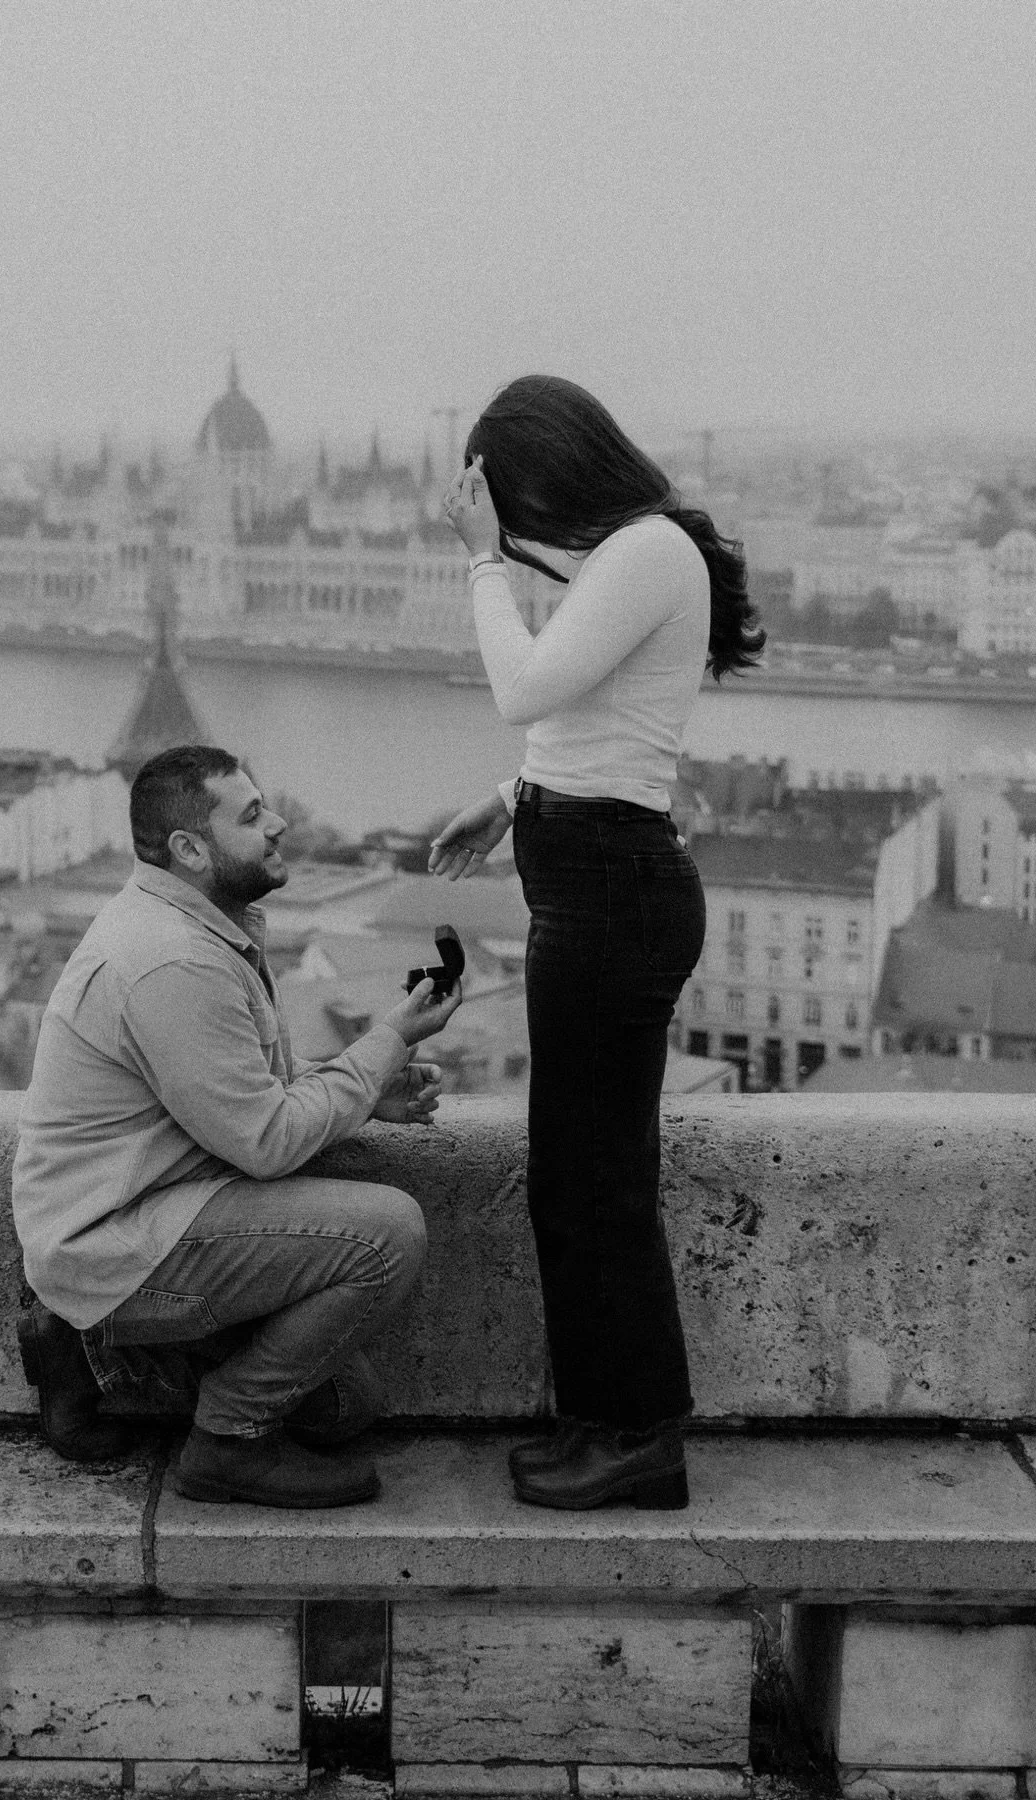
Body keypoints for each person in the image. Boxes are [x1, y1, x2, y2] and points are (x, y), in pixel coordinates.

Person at [433, 375, 764, 1511]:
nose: (518, 527)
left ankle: (636, 1434)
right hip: (597, 881)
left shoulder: (645, 551)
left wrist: (483, 562)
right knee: (575, 1176)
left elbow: (526, 688)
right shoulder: (636, 553)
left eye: (510, 500)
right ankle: (604, 1419)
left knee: (596, 1181)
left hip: (612, 894)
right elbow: (602, 725)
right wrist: (511, 799)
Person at [12, 743, 461, 1509]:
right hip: (113, 1235)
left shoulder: (195, 924)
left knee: (343, 1409)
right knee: (389, 1233)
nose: (278, 823)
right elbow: (268, 1142)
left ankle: (92, 1350)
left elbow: (242, 1089)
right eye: (252, 816)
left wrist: (363, 1090)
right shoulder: (172, 960)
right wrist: (386, 1044)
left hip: (165, 1204)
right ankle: (228, 1441)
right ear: (190, 849)